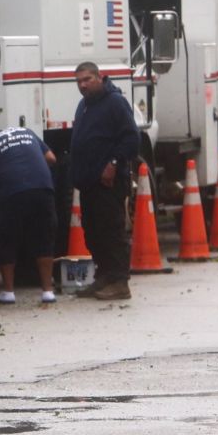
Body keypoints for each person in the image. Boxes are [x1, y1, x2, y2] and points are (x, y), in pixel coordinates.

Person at [69, 61, 139, 301]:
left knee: (111, 231)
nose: (82, 85)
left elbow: (131, 138)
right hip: (89, 183)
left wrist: (114, 163)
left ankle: (120, 282)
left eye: (87, 79)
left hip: (108, 182)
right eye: (78, 81)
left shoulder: (115, 103)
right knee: (93, 232)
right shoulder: (84, 105)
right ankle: (104, 276)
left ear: (100, 77)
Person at [0, 127, 60, 304]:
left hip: (11, 192)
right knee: (44, 237)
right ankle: (48, 291)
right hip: (42, 188)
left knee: (8, 238)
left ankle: (8, 292)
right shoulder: (27, 132)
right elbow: (51, 158)